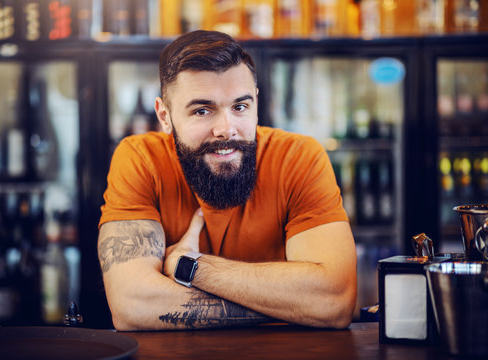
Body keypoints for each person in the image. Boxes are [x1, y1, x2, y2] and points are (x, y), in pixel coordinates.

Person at [98, 30, 357, 331]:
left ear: (256, 104)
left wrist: (192, 268)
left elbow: (334, 301)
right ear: (165, 116)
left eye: (240, 107)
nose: (226, 129)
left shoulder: (299, 157)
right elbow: (133, 306)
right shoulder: (140, 159)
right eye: (203, 110)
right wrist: (290, 306)